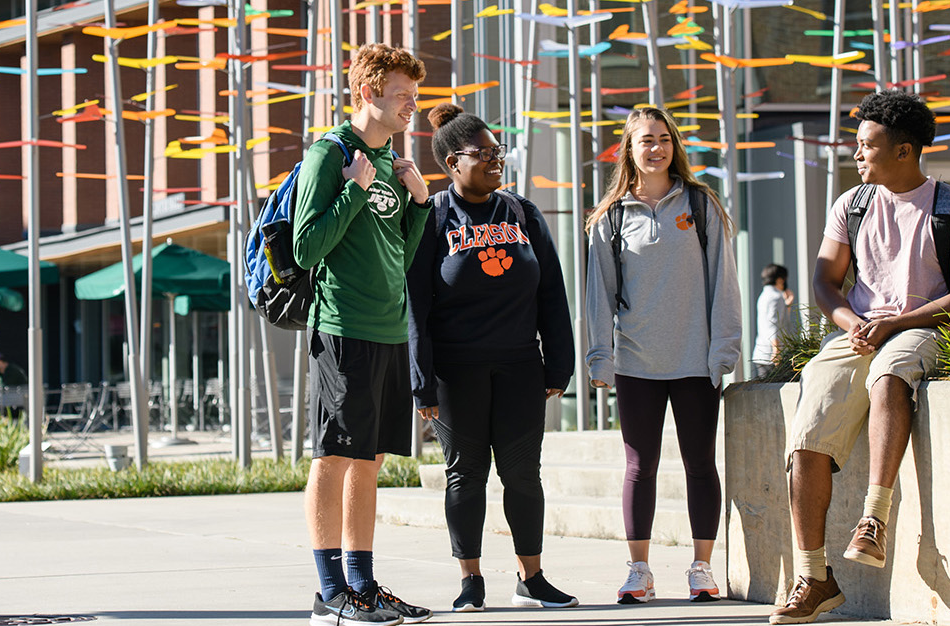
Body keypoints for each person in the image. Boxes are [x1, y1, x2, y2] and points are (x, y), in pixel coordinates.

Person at [768, 91, 950, 624]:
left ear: (906, 151)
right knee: (807, 432)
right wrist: (853, 324)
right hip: (860, 330)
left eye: (868, 146)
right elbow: (824, 281)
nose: (857, 155)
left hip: (924, 327)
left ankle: (874, 520)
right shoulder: (853, 205)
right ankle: (814, 575)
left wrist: (897, 323)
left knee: (891, 377)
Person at [407, 103, 579, 612]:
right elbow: (415, 302)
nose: (493, 160)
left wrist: (559, 362)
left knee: (524, 474)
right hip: (455, 370)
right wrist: (421, 379)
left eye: (496, 151)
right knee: (466, 474)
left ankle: (532, 577)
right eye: (480, 153)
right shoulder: (434, 217)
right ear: (451, 163)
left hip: (520, 364)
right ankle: (471, 580)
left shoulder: (522, 211)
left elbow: (552, 291)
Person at [291, 43, 436, 626]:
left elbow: (396, 256)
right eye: (403, 95)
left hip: (387, 329)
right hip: (342, 327)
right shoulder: (329, 155)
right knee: (334, 456)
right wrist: (354, 187)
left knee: (370, 459)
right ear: (369, 92)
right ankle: (329, 591)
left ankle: (362, 582)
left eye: (414, 96)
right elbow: (306, 247)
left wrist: (420, 202)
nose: (411, 106)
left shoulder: (395, 160)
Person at [584, 107, 742, 605]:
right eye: (645, 141)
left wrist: (724, 349)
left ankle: (701, 567)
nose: (655, 149)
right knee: (639, 466)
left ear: (674, 146)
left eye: (663, 139)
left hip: (696, 361)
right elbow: (598, 295)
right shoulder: (609, 218)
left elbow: (724, 282)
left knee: (701, 463)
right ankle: (639, 571)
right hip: (636, 363)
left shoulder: (700, 204)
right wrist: (599, 358)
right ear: (628, 151)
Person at [752, 264, 798, 379]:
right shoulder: (776, 297)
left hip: (761, 352)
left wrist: (787, 305)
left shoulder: (764, 296)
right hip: (771, 355)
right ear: (779, 279)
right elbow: (773, 325)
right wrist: (776, 351)